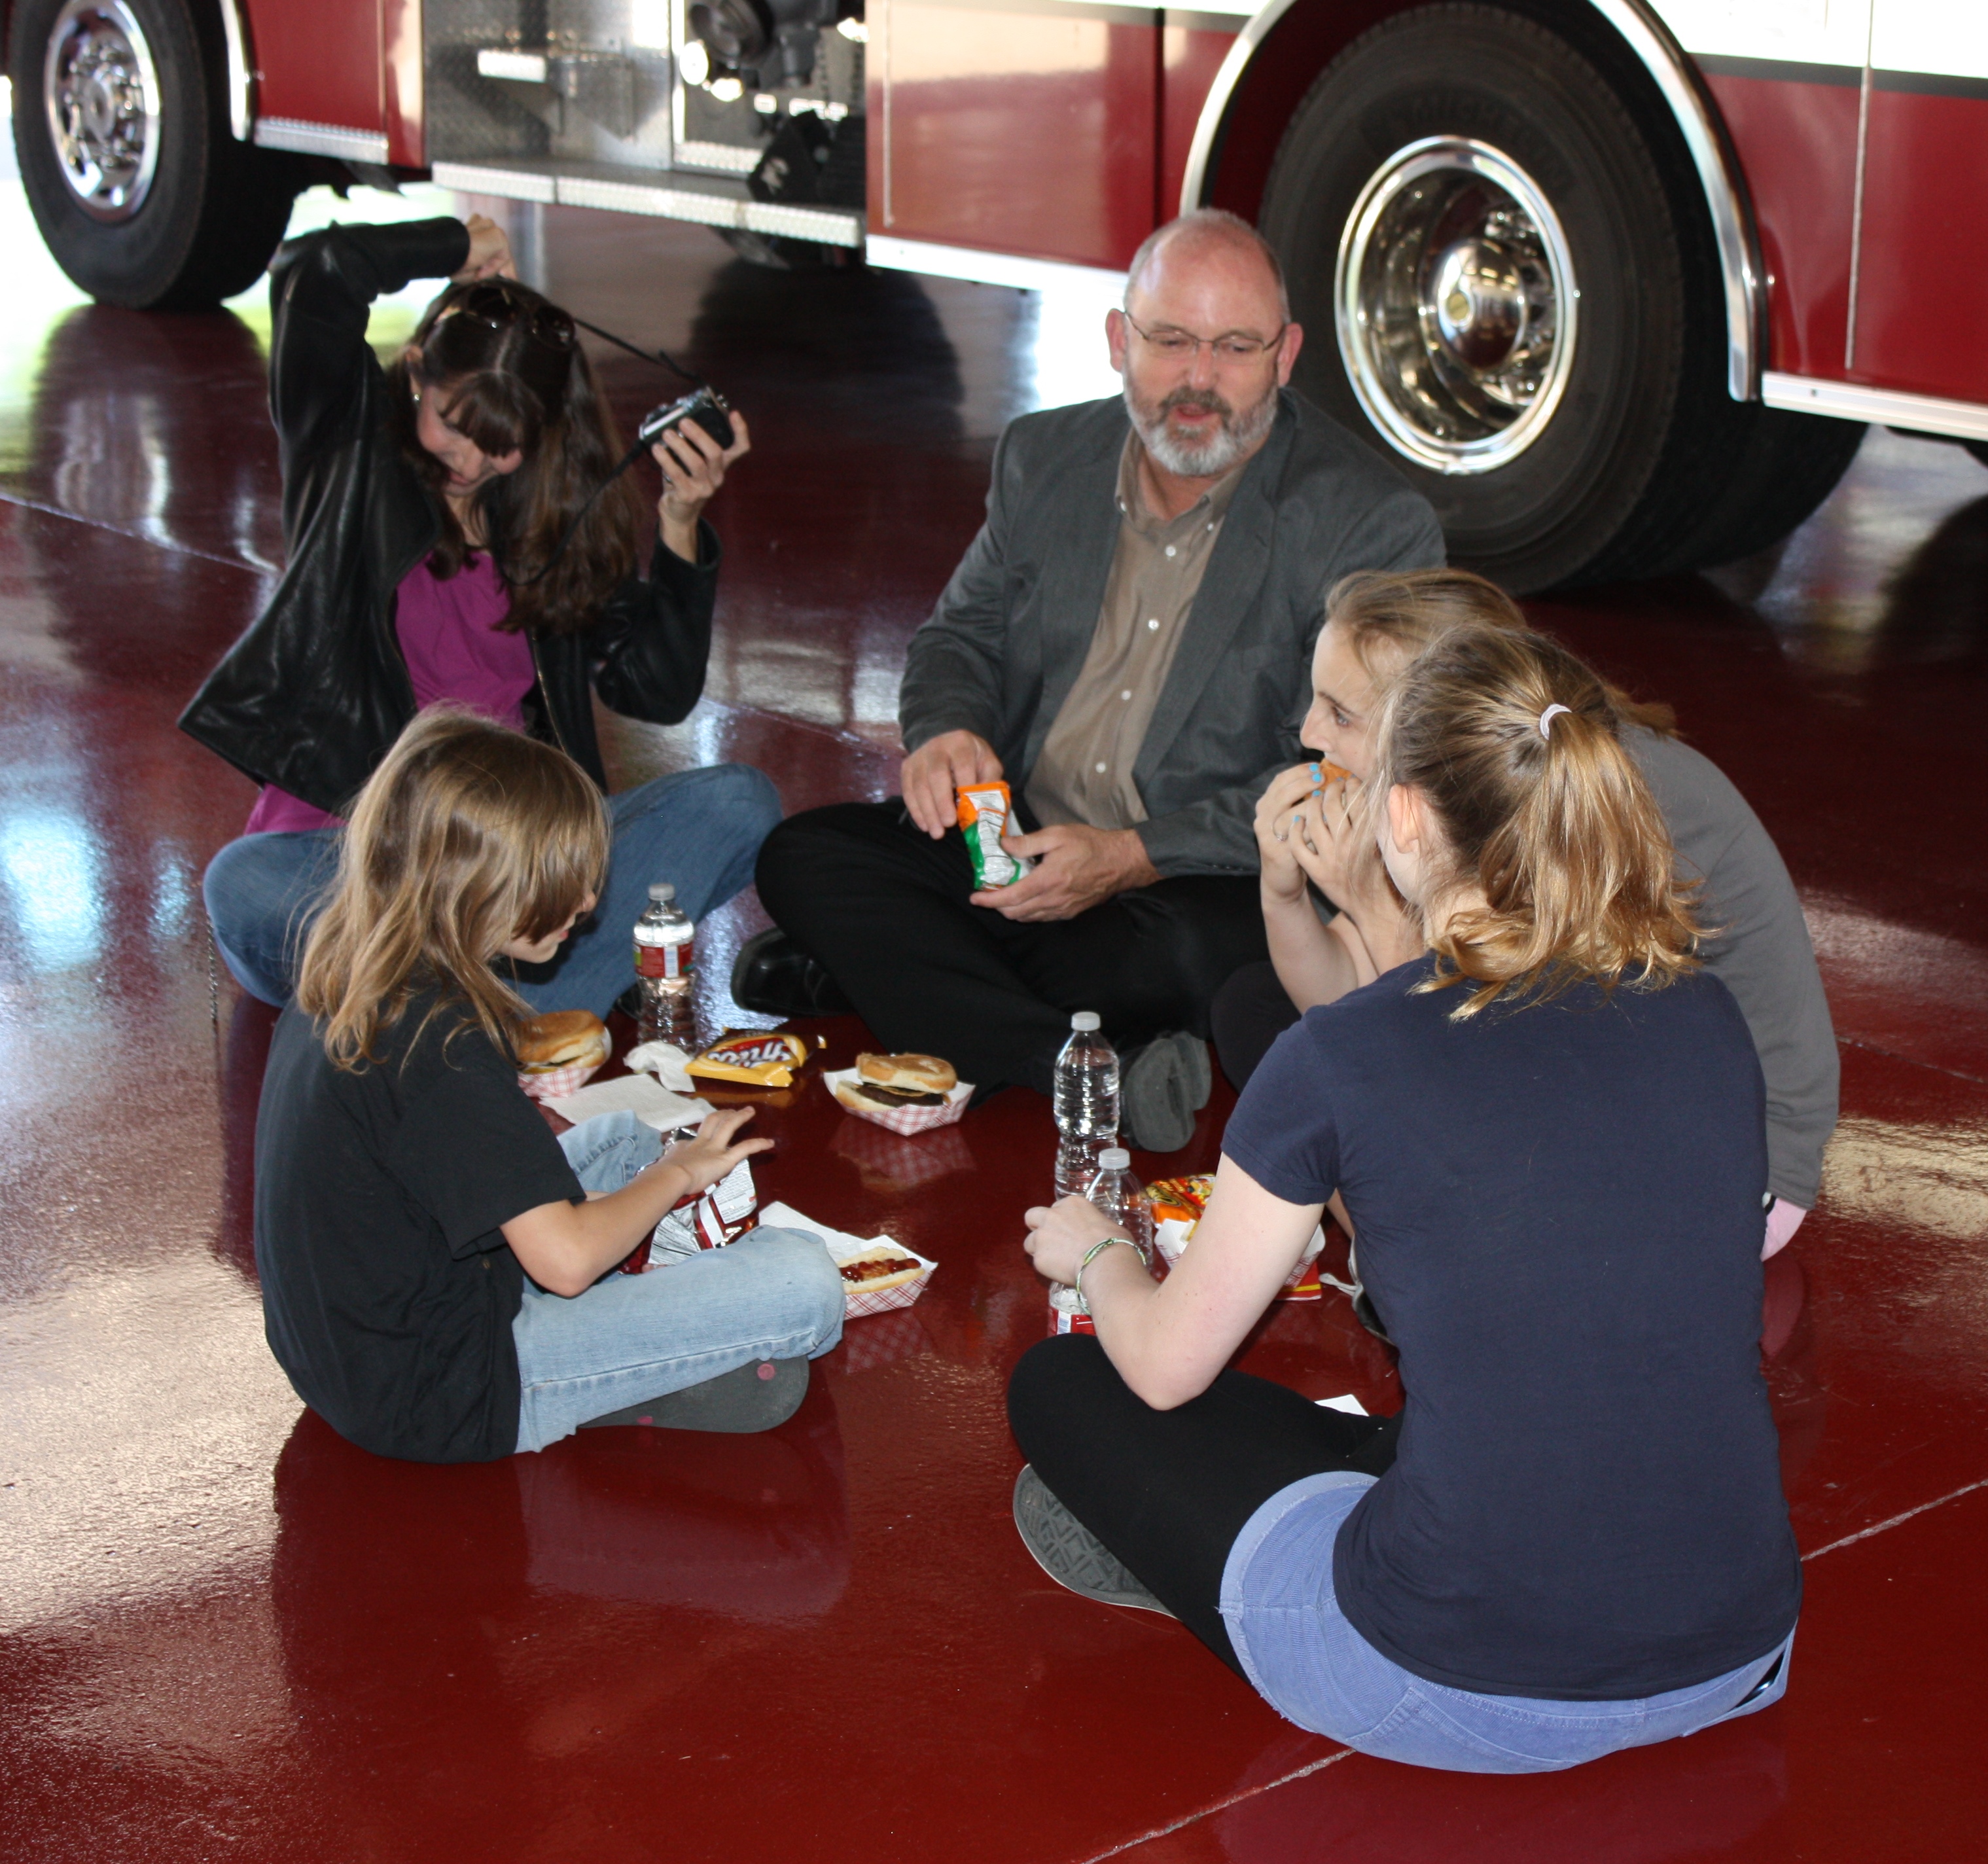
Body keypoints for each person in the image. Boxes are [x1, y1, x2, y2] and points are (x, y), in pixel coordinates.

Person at [1008, 623, 1800, 1772]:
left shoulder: (1337, 1058)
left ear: (1406, 818)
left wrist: (1097, 1254)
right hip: (1737, 1651)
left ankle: (1231, 1576)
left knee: (1064, 1385)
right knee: (1472, 1409)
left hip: (1452, 1683)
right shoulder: (1701, 1010)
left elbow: (1168, 1367)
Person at [740, 209, 1442, 1149]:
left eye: (1236, 347)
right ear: (1119, 340)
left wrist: (1131, 855)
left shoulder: (1368, 522)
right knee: (802, 854)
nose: (1199, 379)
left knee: (1193, 963)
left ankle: (902, 979)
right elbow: (958, 637)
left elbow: (1343, 775)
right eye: (1170, 339)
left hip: (1189, 876)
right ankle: (1074, 1063)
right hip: (1025, 838)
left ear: (1286, 355)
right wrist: (947, 729)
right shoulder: (1043, 458)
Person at [184, 212, 778, 1015]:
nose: (468, 460)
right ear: (417, 371)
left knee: (739, 803)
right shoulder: (345, 449)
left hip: (506, 861)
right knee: (242, 883)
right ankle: (506, 999)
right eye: (455, 425)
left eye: (502, 443)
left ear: (542, 432)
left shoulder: (552, 518)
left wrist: (679, 525)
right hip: (356, 859)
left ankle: (451, 1003)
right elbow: (314, 269)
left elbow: (654, 690)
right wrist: (456, 246)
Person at [254, 709, 845, 1463]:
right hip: (446, 1388)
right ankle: (629, 1370)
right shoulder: (441, 1047)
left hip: (357, 1347)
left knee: (625, 1137)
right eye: (567, 878)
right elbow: (563, 1265)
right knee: (803, 1283)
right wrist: (675, 1176)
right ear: (485, 884)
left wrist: (657, 1171)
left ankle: (653, 1317)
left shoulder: (357, 975)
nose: (588, 902)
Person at [1212, 569, 1837, 1256]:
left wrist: (1371, 908)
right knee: (1256, 1007)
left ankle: (1412, 1261)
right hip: (1595, 1076)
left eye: (1341, 715)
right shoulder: (1471, 783)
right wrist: (1282, 893)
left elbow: (1463, 1054)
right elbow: (1340, 1005)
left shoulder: (1572, 798)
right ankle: (1403, 1246)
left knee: (1372, 1088)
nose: (1308, 734)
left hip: (1728, 1169)